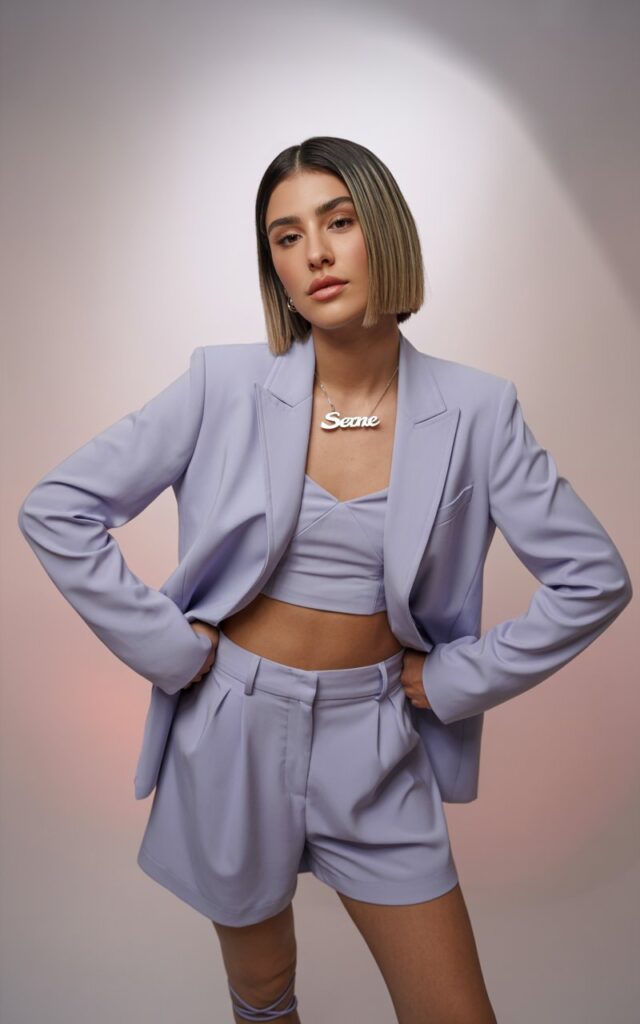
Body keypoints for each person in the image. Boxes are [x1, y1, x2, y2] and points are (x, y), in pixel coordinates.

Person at [18, 136, 632, 1024]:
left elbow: (593, 578)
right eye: (285, 235)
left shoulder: (478, 411)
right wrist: (162, 644)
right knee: (265, 996)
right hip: (229, 730)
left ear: (382, 230)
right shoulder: (221, 384)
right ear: (274, 264)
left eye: (338, 221)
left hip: (376, 738)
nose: (314, 252)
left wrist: (461, 677)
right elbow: (57, 507)